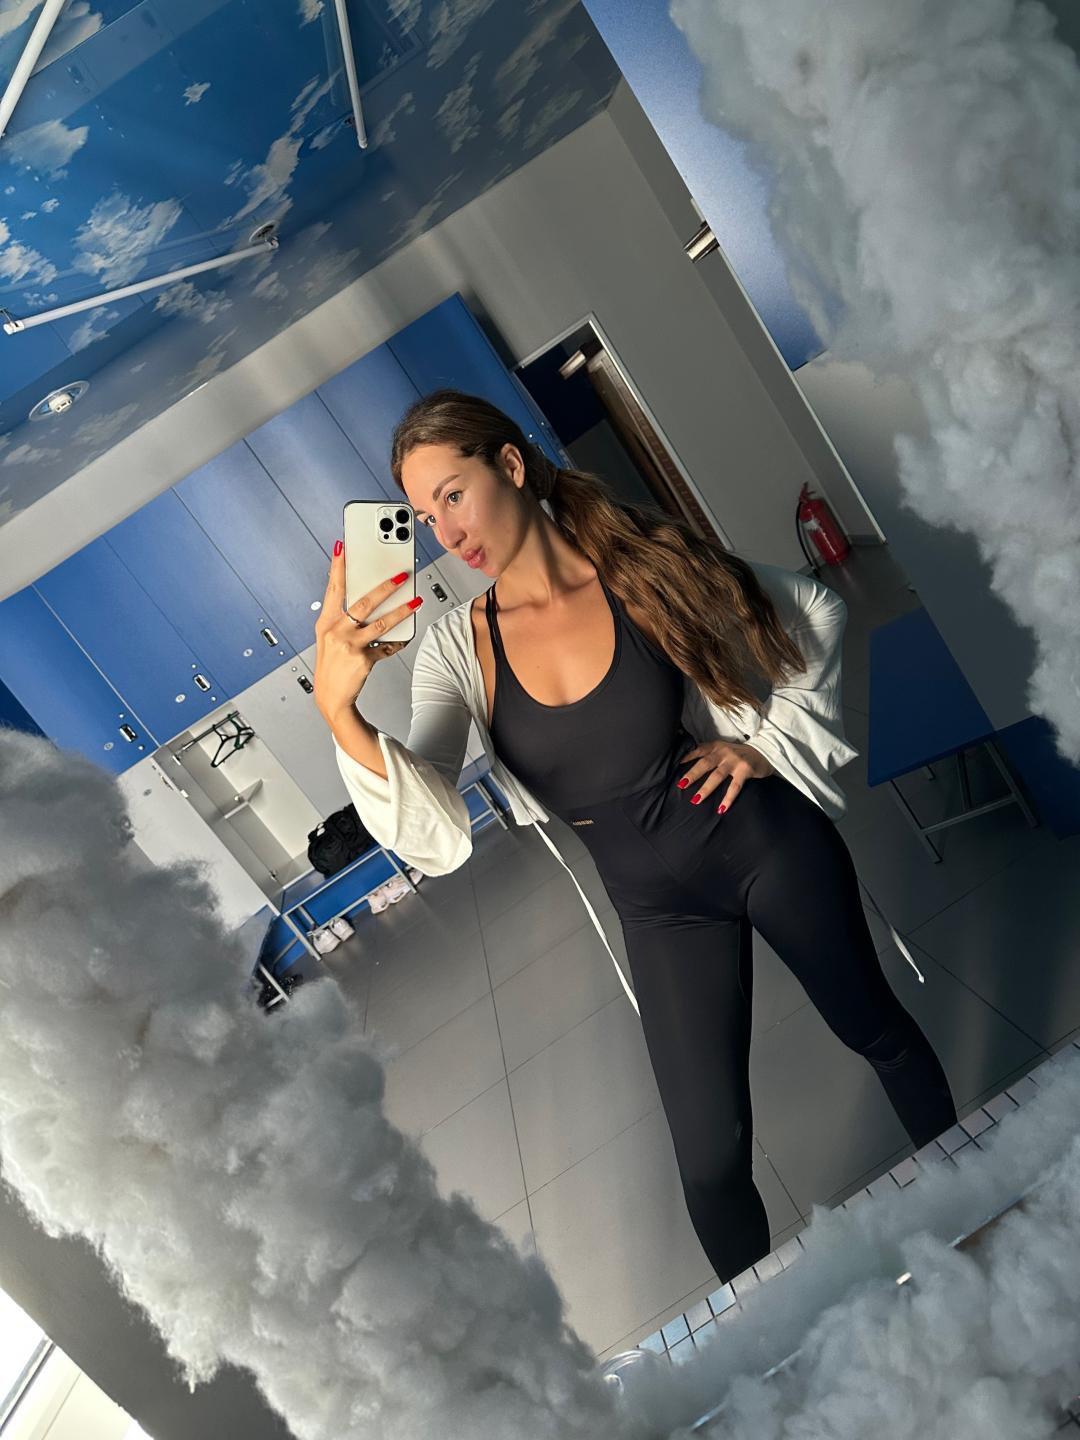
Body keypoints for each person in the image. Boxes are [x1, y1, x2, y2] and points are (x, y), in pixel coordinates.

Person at [312, 387, 958, 1284]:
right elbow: (437, 829)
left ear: (509, 465)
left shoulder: (637, 566)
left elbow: (814, 607)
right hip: (659, 913)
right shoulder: (457, 651)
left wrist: (769, 746)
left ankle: (974, 1195)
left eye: (452, 494)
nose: (445, 532)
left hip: (766, 848)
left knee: (876, 1029)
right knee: (711, 1163)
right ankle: (765, 1335)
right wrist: (340, 714)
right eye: (424, 517)